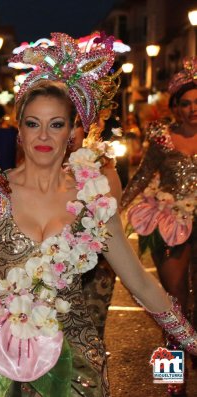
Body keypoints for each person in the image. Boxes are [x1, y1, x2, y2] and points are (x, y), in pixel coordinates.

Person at [0, 33, 197, 397]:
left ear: (72, 132)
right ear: (19, 131)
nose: (43, 135)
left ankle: (174, 378)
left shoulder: (92, 200)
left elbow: (139, 280)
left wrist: (190, 340)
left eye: (56, 124)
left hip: (74, 359)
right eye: (32, 123)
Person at [122, 57, 197, 395]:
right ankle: (172, 383)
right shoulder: (162, 139)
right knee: (173, 306)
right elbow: (140, 178)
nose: (193, 109)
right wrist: (114, 210)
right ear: (175, 108)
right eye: (186, 103)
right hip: (170, 223)